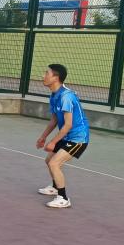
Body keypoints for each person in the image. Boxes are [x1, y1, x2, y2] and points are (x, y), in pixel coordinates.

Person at [35, 63, 90, 208]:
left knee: (54, 163)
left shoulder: (66, 96)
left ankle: (63, 198)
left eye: (46, 73)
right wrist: (43, 137)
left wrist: (53, 142)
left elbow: (68, 124)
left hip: (78, 138)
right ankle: (55, 187)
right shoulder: (54, 95)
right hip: (67, 136)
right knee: (49, 160)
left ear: (55, 78)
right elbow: (54, 120)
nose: (43, 76)